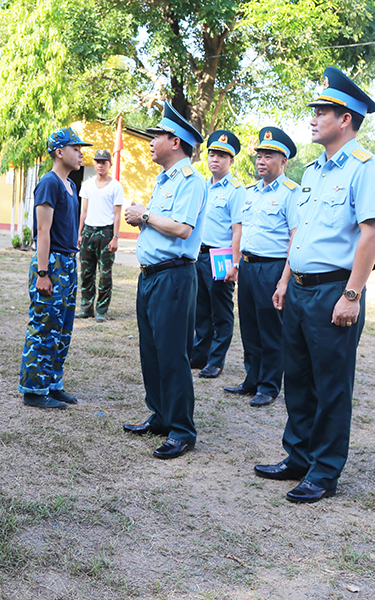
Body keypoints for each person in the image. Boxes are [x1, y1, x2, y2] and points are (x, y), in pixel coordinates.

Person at [257, 67, 375, 504]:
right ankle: (298, 457)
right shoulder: (313, 171)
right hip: (298, 288)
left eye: (321, 112)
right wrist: (285, 280)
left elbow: (370, 234)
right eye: (314, 111)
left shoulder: (366, 169)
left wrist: (352, 295)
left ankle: (325, 471)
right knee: (296, 378)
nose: (312, 118)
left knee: (331, 384)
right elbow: (300, 232)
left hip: (334, 291)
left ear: (346, 118)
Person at [122, 102, 207, 459]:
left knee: (173, 355)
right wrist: (145, 218)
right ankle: (160, 416)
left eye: (157, 135)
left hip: (174, 275)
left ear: (175, 141)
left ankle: (182, 430)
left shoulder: (191, 180)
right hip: (152, 277)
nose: (151, 141)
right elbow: (160, 223)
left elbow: (182, 229)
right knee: (152, 351)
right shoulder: (164, 180)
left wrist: (145, 215)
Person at [223, 127, 299, 407]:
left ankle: (268, 386)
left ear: (283, 161)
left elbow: (295, 237)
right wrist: (236, 263)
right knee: (250, 326)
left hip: (273, 268)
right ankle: (251, 379)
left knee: (270, 328)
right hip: (249, 266)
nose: (261, 160)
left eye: (269, 155)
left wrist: (284, 280)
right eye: (259, 155)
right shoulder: (250, 192)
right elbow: (240, 230)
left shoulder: (292, 193)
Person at [19, 127, 91, 410]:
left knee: (62, 327)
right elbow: (43, 230)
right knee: (43, 327)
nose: (81, 153)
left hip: (68, 262)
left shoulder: (71, 185)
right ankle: (34, 390)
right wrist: (43, 273)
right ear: (60, 152)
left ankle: (52, 383)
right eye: (76, 148)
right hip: (52, 264)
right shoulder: (49, 182)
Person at [190, 130, 245, 379]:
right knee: (201, 310)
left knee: (220, 312)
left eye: (222, 155)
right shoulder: (202, 185)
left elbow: (237, 230)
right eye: (212, 154)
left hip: (221, 257)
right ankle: (200, 355)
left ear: (231, 161)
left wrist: (235, 263)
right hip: (199, 255)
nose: (215, 159)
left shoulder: (236, 189)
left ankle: (216, 360)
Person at [76, 148, 124, 323]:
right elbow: (84, 211)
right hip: (89, 231)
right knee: (86, 273)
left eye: (104, 162)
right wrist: (80, 233)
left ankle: (101, 310)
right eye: (97, 161)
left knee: (105, 274)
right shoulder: (88, 184)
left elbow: (117, 214)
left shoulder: (116, 186)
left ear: (109, 164)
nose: (100, 165)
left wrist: (115, 236)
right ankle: (86, 308)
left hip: (106, 233)